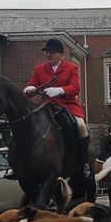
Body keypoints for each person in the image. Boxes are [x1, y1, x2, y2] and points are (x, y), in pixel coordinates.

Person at [22, 38, 91, 178]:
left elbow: (75, 88)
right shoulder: (39, 68)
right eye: (47, 52)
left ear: (61, 54)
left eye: (52, 52)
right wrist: (30, 89)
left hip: (68, 106)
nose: (48, 55)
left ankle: (84, 163)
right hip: (46, 105)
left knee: (82, 127)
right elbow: (33, 84)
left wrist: (59, 90)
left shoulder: (72, 67)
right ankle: (18, 162)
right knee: (25, 124)